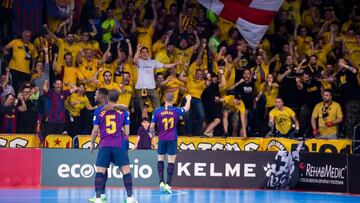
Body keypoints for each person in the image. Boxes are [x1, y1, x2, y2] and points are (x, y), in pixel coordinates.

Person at [89, 89, 137, 203]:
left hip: (104, 144)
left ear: (107, 98)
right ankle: (130, 198)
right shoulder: (124, 112)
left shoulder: (99, 111)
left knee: (100, 171)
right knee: (125, 171)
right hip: (118, 144)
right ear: (117, 98)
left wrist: (91, 143)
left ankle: (98, 198)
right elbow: (127, 132)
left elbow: (95, 130)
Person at [150, 93, 191, 194]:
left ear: (164, 99)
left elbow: (151, 126)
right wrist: (188, 99)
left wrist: (153, 136)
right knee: (171, 162)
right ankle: (168, 184)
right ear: (173, 100)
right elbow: (186, 108)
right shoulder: (176, 111)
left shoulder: (157, 111)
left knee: (160, 159)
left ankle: (161, 182)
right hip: (172, 138)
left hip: (162, 138)